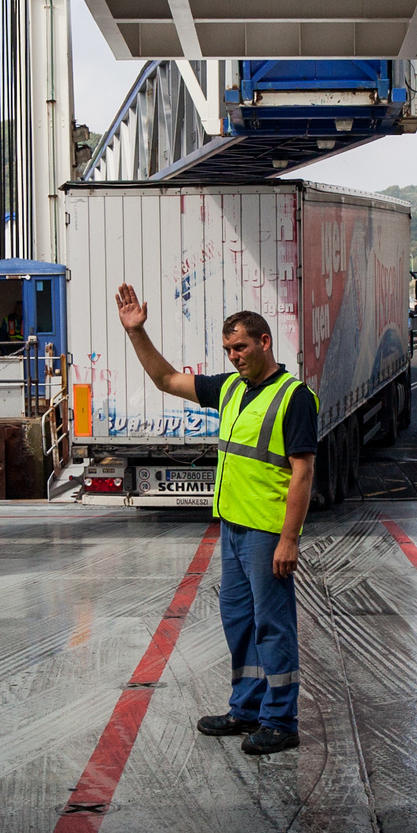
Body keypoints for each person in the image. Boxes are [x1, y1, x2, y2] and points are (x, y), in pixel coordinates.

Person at [115, 285, 318, 756]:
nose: (234, 357)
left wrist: (290, 539)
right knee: (239, 622)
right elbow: (165, 379)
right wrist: (136, 331)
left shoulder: (295, 397)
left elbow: (304, 473)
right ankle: (246, 709)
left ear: (265, 343)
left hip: (267, 534)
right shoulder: (229, 389)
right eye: (228, 349)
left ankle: (281, 719)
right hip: (231, 528)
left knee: (273, 625)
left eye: (241, 347)